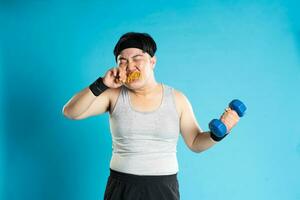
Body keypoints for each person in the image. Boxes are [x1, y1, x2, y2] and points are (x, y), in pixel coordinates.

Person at [62, 32, 240, 200]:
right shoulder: (112, 95)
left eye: (137, 58)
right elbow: (71, 112)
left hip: (163, 188)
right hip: (121, 187)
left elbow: (195, 142)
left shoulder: (177, 99)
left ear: (153, 62)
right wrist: (102, 84)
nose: (130, 65)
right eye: (122, 61)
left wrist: (218, 134)